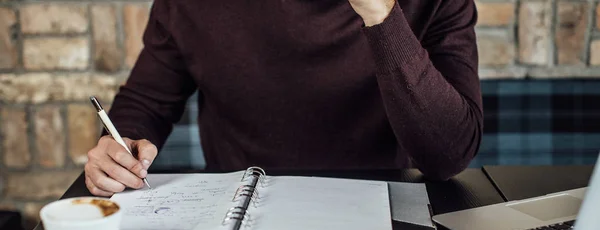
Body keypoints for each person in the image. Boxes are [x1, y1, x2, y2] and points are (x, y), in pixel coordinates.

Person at [84, 0, 483, 196]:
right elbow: (147, 101)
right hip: (238, 219)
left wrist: (382, 16)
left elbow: (448, 155)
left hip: (384, 211)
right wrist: (119, 149)